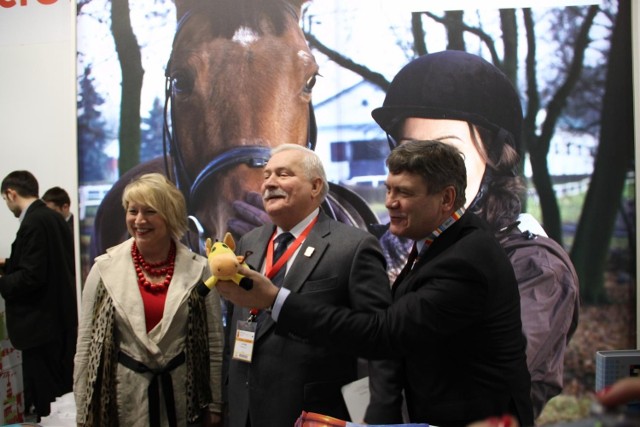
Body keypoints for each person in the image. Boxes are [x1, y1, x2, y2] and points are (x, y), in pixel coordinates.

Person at [217, 140, 535, 427]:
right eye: (388, 190)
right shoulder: (439, 245)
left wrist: (275, 300)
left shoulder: (465, 259)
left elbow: (382, 334)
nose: (390, 203)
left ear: (446, 198)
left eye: (405, 192)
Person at [371, 50, 580, 418]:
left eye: (447, 152)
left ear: (494, 157)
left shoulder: (536, 269)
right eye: (410, 152)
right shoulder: (381, 246)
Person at [224, 144, 401, 427]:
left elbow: (379, 340)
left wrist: (380, 416)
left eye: (283, 174)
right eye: (267, 175)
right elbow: (238, 325)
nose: (269, 182)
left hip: (312, 414)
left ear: (316, 186)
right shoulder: (249, 243)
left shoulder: (354, 247)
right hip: (244, 411)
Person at [73, 173, 224, 426]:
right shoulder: (103, 270)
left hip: (183, 402)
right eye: (133, 211)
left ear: (170, 215)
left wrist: (216, 405)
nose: (139, 220)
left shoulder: (201, 269)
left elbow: (214, 343)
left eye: (150, 211)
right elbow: (86, 344)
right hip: (122, 401)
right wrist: (83, 410)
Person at [0, 170, 77, 420]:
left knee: (46, 403)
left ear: (11, 193)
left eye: (5, 200)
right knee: (59, 399)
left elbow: (32, 276)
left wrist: (3, 282)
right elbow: (45, 263)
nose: (8, 205)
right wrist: (8, 264)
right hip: (58, 322)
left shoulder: (32, 222)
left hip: (39, 325)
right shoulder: (53, 218)